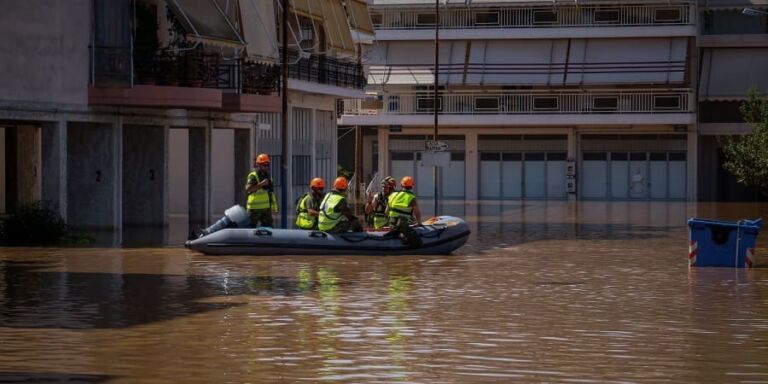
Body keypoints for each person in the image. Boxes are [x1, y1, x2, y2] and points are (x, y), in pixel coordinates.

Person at [386, 176, 423, 247]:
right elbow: (417, 212)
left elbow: (386, 212)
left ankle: (398, 234)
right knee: (418, 243)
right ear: (412, 186)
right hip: (403, 225)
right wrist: (419, 223)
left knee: (399, 229)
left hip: (392, 225)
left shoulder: (392, 195)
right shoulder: (411, 197)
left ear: (401, 185)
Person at [245, 153, 276, 227]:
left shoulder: (267, 175)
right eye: (264, 165)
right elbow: (248, 189)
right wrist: (261, 184)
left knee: (268, 228)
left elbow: (270, 192)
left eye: (267, 165)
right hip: (254, 209)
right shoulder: (253, 175)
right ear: (258, 165)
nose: (266, 167)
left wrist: (274, 206)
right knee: (250, 229)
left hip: (265, 208)